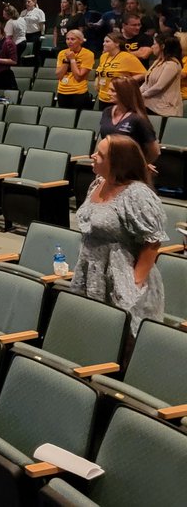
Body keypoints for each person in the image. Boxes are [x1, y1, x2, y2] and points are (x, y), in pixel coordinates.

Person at [70, 135, 165, 337]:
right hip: (92, 271)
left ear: (117, 163)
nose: (93, 156)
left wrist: (135, 280)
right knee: (94, 334)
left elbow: (153, 241)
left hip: (122, 276)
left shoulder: (136, 194)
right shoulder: (97, 184)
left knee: (122, 339)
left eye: (100, 154)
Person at [101, 77, 160, 165]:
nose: (109, 93)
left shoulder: (137, 119)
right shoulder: (107, 111)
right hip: (108, 165)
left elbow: (154, 151)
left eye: (113, 91)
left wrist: (142, 165)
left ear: (124, 93)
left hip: (128, 169)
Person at [95, 32, 146, 110]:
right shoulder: (103, 56)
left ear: (117, 43)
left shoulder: (127, 57)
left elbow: (143, 74)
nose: (103, 44)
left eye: (107, 41)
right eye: (104, 41)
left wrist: (125, 82)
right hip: (102, 97)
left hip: (118, 98)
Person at [140, 34, 183, 117]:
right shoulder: (157, 61)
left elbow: (159, 86)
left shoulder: (172, 64)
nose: (152, 47)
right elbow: (146, 83)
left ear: (162, 46)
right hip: (149, 106)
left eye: (154, 44)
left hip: (165, 110)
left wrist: (142, 95)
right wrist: (137, 93)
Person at [55, 29, 95, 110]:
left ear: (80, 41)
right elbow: (59, 75)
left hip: (78, 93)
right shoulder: (62, 53)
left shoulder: (88, 54)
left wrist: (72, 60)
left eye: (73, 39)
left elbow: (78, 77)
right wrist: (66, 60)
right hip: (62, 92)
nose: (69, 42)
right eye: (67, 39)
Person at [20, 0, 46, 64]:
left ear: (34, 2)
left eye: (29, 2)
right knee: (25, 53)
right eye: (26, 2)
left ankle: (37, 68)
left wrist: (42, 34)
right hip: (25, 35)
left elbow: (42, 24)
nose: (27, 3)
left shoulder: (39, 12)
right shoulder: (23, 12)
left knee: (36, 53)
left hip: (35, 34)